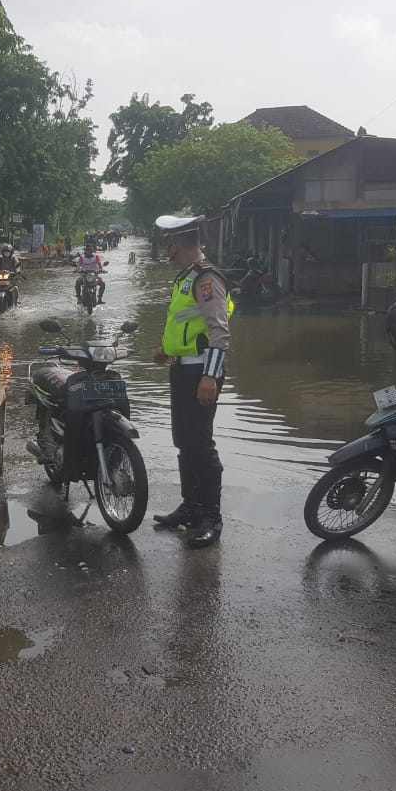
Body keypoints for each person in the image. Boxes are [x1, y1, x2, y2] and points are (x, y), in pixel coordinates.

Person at [151, 215, 234, 549]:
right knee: (184, 441)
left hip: (201, 373)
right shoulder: (186, 278)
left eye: (167, 244)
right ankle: (190, 506)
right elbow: (188, 324)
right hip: (183, 369)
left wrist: (210, 376)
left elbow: (219, 332)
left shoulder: (206, 279)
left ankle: (210, 517)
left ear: (175, 244)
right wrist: (166, 350)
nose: (166, 251)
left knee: (201, 443)